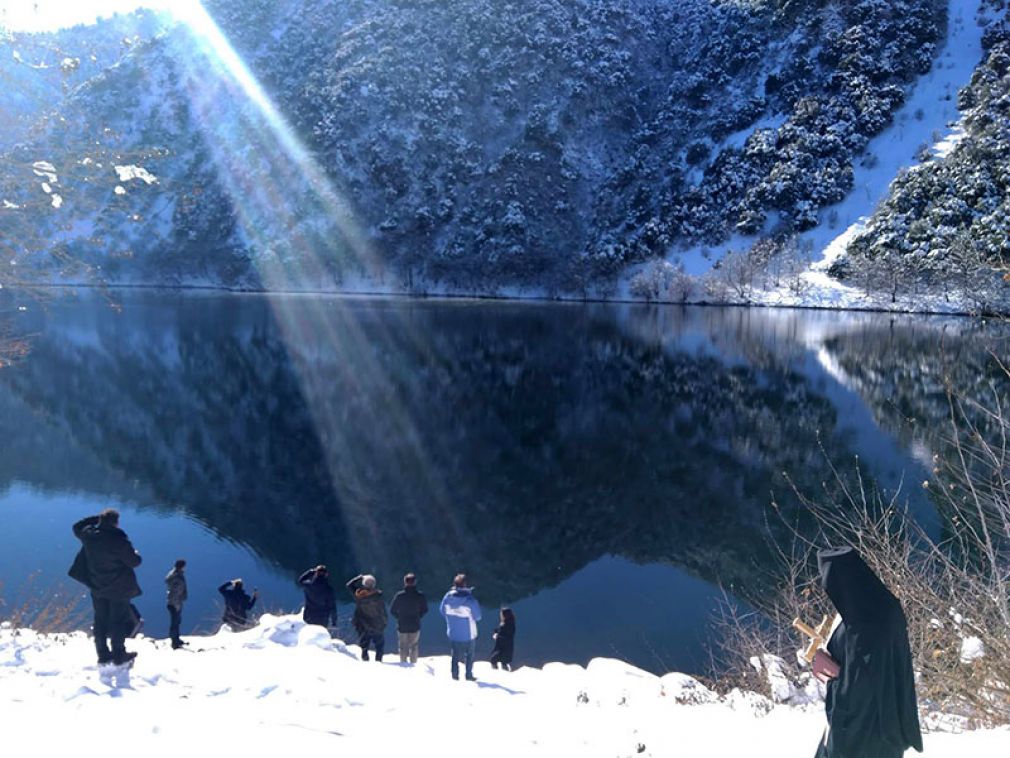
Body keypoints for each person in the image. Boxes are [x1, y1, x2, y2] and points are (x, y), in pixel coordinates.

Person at [814, 547, 923, 758]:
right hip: (889, 721)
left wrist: (831, 675)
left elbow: (856, 687)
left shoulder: (862, 622)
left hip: (863, 731)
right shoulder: (883, 606)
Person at [69, 509, 142, 666]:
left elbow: (77, 526)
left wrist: (97, 519)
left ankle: (103, 654)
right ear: (116, 523)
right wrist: (136, 553)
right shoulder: (119, 540)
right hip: (118, 588)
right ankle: (119, 654)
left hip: (97, 586)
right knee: (118, 621)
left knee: (100, 620)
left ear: (102, 521)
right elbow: (135, 562)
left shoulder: (89, 536)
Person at [439, 573, 482, 681]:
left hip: (453, 632)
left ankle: (454, 675)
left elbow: (442, 611)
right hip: (469, 634)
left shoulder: (447, 597)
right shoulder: (470, 601)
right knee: (470, 655)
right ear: (466, 585)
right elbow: (478, 617)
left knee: (455, 655)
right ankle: (468, 675)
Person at [346, 574, 387, 661]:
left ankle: (365, 661)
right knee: (379, 644)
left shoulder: (359, 595)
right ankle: (378, 661)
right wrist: (384, 623)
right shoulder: (378, 596)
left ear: (364, 584)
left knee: (364, 644)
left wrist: (359, 578)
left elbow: (349, 585)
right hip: (376, 623)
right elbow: (382, 611)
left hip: (362, 623)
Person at [390, 572, 428, 664]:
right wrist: (419, 616)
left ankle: (403, 663)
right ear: (415, 582)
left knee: (403, 646)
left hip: (402, 624)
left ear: (405, 582)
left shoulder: (399, 596)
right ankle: (413, 663)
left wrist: (399, 617)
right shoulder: (420, 595)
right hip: (415, 624)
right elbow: (425, 609)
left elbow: (392, 610)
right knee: (414, 646)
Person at [298, 564, 336, 629]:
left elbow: (300, 580)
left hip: (308, 615)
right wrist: (334, 622)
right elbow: (332, 606)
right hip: (322, 618)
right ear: (326, 575)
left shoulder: (308, 585)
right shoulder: (328, 590)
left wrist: (310, 572)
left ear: (315, 574)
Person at [165, 559, 188, 649]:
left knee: (177, 622)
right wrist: (177, 605)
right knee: (175, 623)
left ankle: (177, 639)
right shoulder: (177, 578)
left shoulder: (175, 574)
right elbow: (175, 593)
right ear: (182, 567)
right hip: (174, 604)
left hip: (174, 602)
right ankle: (175, 643)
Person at [489, 607, 516, 671]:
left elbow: (507, 634)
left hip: (504, 646)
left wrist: (498, 635)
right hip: (503, 646)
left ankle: (496, 672)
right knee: (499, 661)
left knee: (495, 659)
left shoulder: (509, 623)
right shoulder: (506, 622)